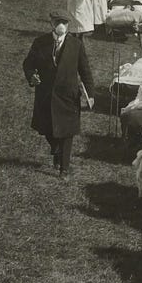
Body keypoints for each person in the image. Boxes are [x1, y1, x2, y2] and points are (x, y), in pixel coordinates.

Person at [22, 10, 95, 181]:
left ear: (69, 25)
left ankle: (65, 168)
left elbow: (85, 71)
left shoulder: (76, 45)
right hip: (46, 93)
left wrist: (90, 94)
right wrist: (32, 76)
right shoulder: (40, 43)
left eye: (64, 22)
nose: (61, 25)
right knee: (47, 129)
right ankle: (56, 149)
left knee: (67, 132)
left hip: (68, 95)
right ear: (52, 24)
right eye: (57, 22)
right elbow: (28, 64)